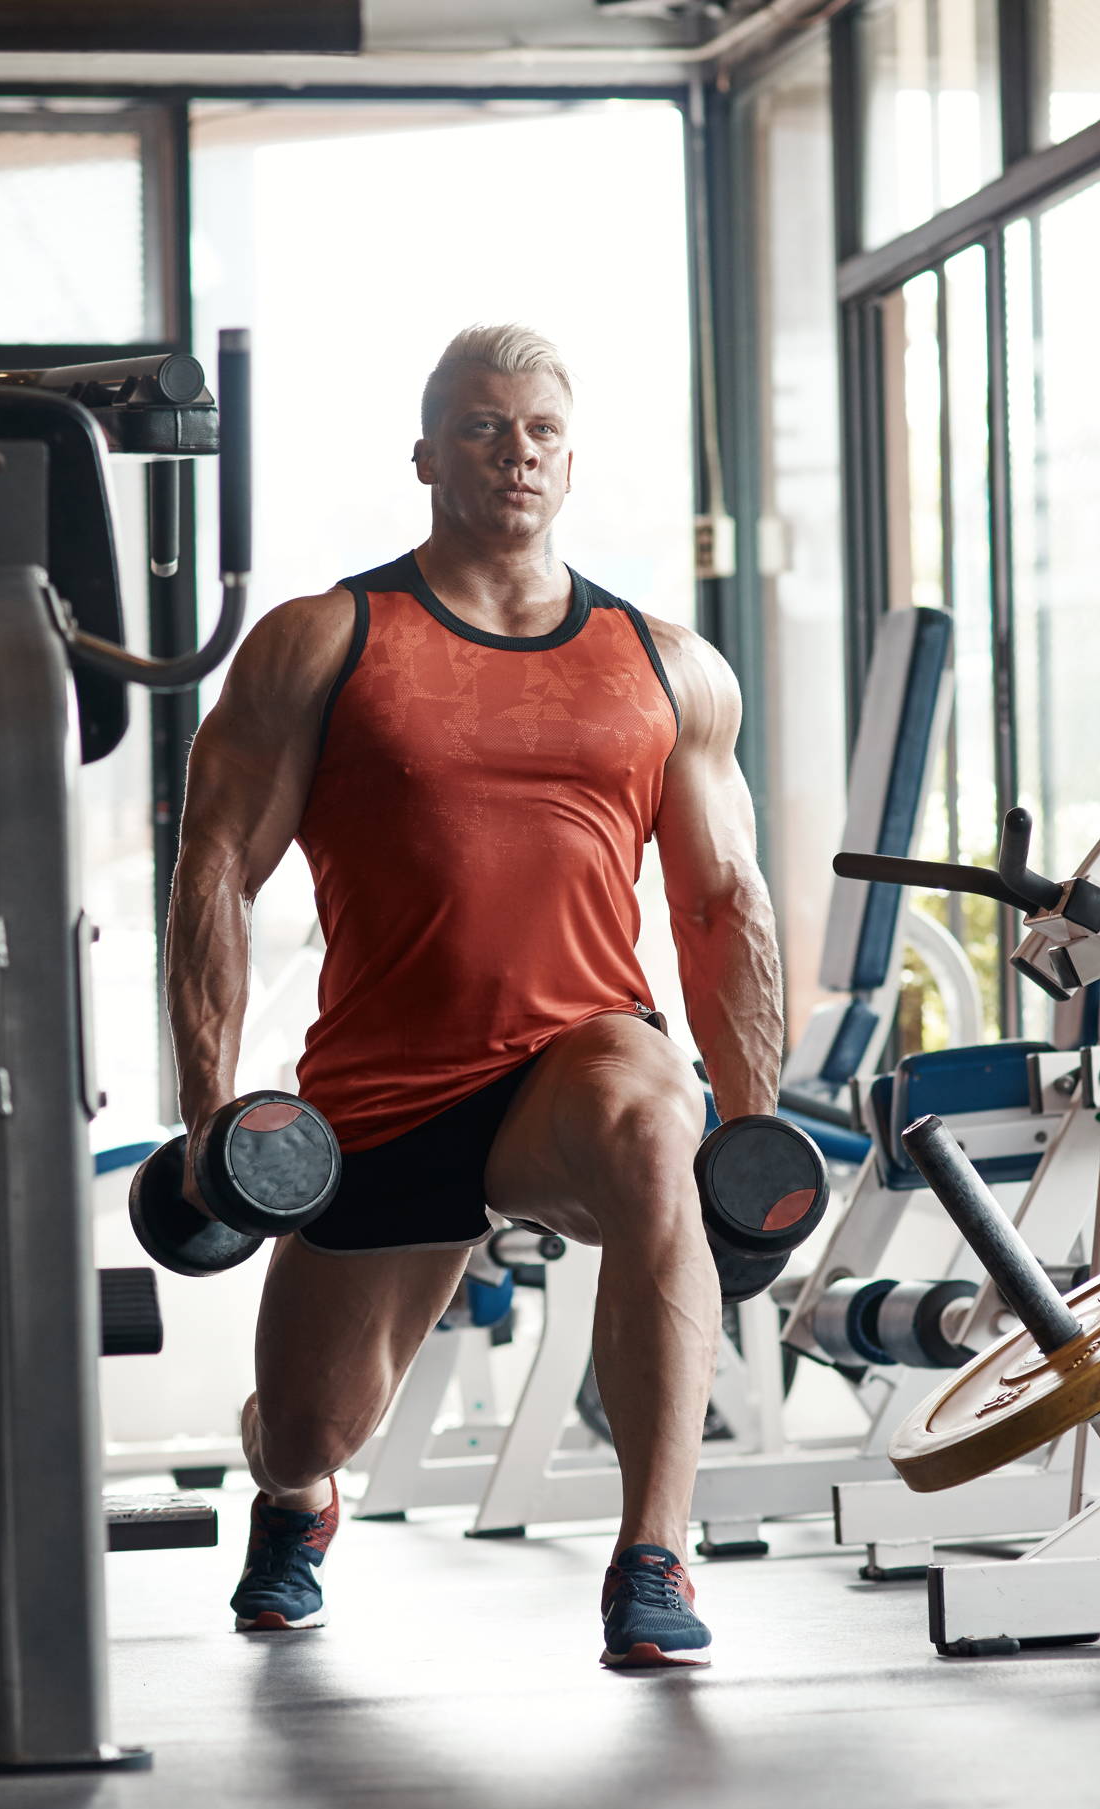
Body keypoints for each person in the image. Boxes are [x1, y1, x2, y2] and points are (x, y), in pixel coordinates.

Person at [166, 322, 785, 1670]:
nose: (516, 452)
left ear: (571, 461)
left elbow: (723, 899)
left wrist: (752, 1124)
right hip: (388, 1088)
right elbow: (216, 869)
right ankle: (293, 1500)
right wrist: (210, 1113)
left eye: (542, 430)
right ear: (428, 453)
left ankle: (653, 1557)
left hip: (578, 1055)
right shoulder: (325, 641)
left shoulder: (665, 663)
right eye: (486, 426)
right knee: (311, 1421)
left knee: (652, 1129)